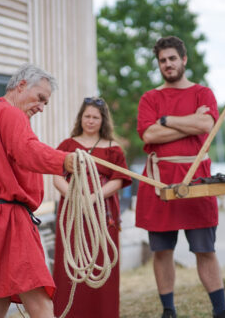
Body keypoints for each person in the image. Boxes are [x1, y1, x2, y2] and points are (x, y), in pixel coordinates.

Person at [0, 63, 76, 318]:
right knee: (40, 302)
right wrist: (65, 161)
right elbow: (28, 150)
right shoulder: (11, 115)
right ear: (22, 85)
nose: (42, 107)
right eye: (41, 98)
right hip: (7, 221)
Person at [135, 36, 225, 318]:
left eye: (172, 58)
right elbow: (149, 134)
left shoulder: (203, 93)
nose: (168, 64)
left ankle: (221, 311)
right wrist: (190, 125)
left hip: (196, 179)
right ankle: (168, 311)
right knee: (162, 251)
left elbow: (206, 125)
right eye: (163, 60)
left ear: (184, 59)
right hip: (159, 182)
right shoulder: (150, 98)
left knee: (205, 249)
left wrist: (166, 121)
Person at [52, 97, 132, 317]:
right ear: (81, 118)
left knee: (101, 260)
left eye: (95, 117)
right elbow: (56, 176)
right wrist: (74, 196)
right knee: (71, 261)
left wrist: (94, 196)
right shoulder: (68, 146)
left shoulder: (114, 149)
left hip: (102, 213)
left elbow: (118, 180)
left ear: (103, 120)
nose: (90, 121)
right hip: (73, 214)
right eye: (87, 116)